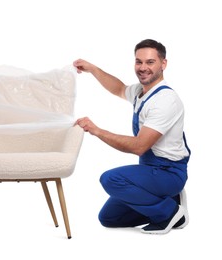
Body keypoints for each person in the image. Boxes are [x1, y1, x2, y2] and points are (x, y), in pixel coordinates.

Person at [73, 39, 191, 234]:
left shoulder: (165, 100)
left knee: (111, 179)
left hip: (168, 173)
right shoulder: (141, 92)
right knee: (109, 218)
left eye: (150, 62)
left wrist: (97, 130)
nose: (143, 68)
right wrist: (92, 69)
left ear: (163, 64)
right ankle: (168, 200)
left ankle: (170, 212)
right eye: (139, 62)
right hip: (149, 170)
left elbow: (139, 147)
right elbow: (118, 89)